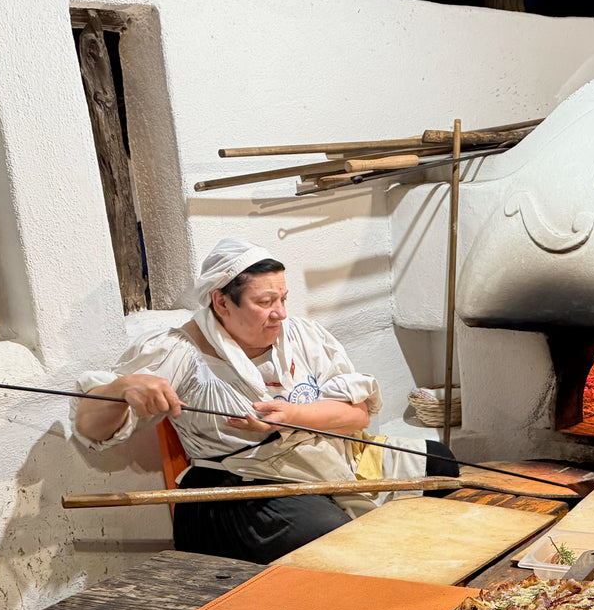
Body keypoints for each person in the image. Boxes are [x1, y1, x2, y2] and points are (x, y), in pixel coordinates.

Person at [72, 238, 458, 564]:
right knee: (333, 536)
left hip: (327, 453)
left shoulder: (301, 335)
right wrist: (121, 388)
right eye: (266, 302)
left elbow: (356, 415)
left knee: (441, 463)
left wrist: (292, 417)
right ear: (222, 302)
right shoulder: (179, 351)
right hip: (242, 484)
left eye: (283, 299)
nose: (280, 314)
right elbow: (90, 428)